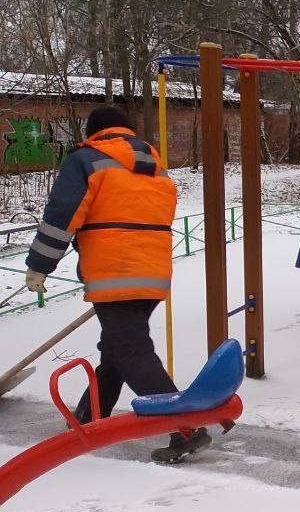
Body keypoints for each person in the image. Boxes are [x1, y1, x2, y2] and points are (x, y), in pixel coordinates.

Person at [23, 105, 210, 463]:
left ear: (94, 132)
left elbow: (62, 215)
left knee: (131, 353)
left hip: (112, 272)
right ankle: (89, 420)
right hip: (153, 272)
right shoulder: (155, 166)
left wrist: (39, 265)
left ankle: (186, 426)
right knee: (116, 351)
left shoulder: (87, 160)